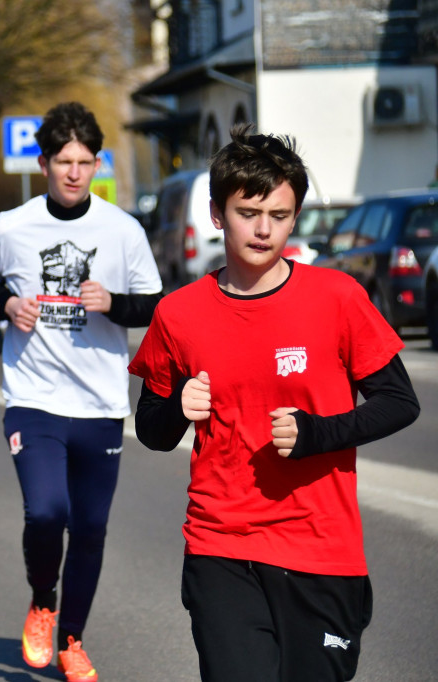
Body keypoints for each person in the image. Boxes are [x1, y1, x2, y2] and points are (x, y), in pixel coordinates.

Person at [129, 124, 420, 682]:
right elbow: (151, 429)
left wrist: (318, 434)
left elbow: (399, 401)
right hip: (221, 543)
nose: (264, 230)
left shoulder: (337, 298)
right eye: (248, 212)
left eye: (280, 216)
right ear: (217, 215)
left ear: (295, 216)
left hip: (321, 547)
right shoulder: (179, 313)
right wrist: (176, 410)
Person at [0, 101, 163, 682]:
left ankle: (73, 639)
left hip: (100, 403)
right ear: (44, 162)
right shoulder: (12, 226)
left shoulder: (123, 230)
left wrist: (114, 304)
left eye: (85, 161)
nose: (75, 172)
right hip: (35, 397)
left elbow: (154, 305)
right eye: (63, 161)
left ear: (97, 163)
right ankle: (41, 600)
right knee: (47, 510)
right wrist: (6, 304)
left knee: (92, 528)